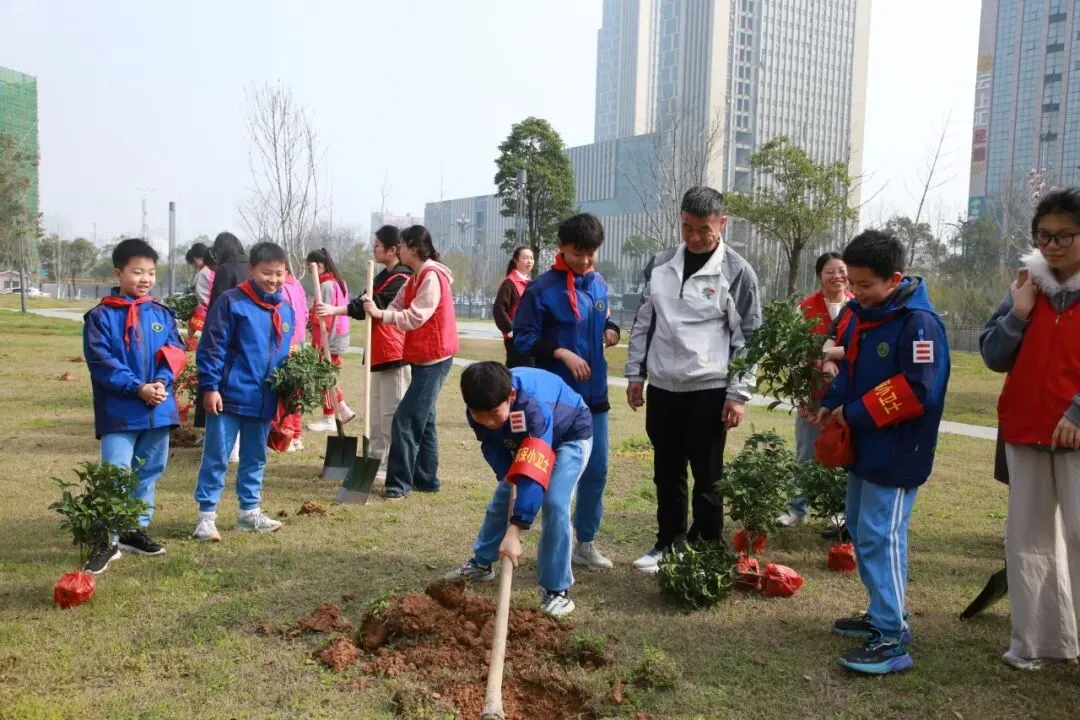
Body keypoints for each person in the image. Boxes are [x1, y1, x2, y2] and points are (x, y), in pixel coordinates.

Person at [813, 229, 950, 675]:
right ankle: (881, 612)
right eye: (852, 282)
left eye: (866, 284)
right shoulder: (860, 315)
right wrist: (833, 401)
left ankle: (892, 637)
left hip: (898, 451)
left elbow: (918, 389)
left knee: (880, 535)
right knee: (859, 526)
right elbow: (850, 367)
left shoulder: (919, 323)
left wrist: (854, 412)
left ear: (894, 278)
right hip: (864, 445)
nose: (857, 291)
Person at [625, 186, 762, 574]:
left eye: (704, 229)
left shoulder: (738, 272)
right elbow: (644, 322)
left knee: (708, 476)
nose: (695, 237)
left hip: (709, 389)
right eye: (687, 227)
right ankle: (668, 543)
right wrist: (635, 373)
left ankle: (706, 550)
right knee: (667, 472)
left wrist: (737, 393)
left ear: (722, 223)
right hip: (664, 388)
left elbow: (749, 338)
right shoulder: (659, 265)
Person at [980, 187, 1080, 670]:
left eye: (1064, 236)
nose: (1052, 246)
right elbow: (993, 355)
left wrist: (1077, 413)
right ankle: (1039, 643)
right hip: (1025, 428)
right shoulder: (1026, 284)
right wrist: (1018, 312)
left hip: (1075, 432)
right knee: (1028, 538)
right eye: (1044, 235)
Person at [512, 214, 620, 570]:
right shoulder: (541, 290)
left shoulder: (598, 283)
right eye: (578, 253)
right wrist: (561, 352)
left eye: (591, 253)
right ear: (561, 248)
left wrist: (611, 329)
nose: (585, 261)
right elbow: (523, 337)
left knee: (597, 471)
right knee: (553, 477)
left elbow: (602, 317)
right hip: (556, 402)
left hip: (595, 396)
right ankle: (543, 545)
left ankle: (585, 542)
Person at [445, 362, 593, 617]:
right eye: (480, 415)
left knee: (555, 502)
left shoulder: (533, 408)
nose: (488, 422)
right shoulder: (478, 407)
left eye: (494, 413)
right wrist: (507, 474)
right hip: (526, 438)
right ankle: (482, 564)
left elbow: (535, 470)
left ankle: (557, 590)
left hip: (569, 434)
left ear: (511, 396)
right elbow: (492, 446)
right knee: (504, 495)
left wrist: (515, 530)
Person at [81, 238, 186, 574]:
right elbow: (102, 362)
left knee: (149, 470)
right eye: (137, 271)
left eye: (151, 272)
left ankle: (132, 529)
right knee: (115, 473)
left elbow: (175, 352)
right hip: (120, 411)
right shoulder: (101, 317)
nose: (145, 279)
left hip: (158, 408)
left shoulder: (161, 314)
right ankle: (107, 539)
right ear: (119, 272)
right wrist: (137, 388)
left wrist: (161, 383)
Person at [192, 242, 296, 541]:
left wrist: (290, 388)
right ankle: (206, 517)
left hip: (263, 398)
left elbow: (285, 354)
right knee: (217, 456)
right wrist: (210, 387)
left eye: (279, 274)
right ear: (251, 269)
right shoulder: (231, 302)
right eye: (266, 273)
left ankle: (249, 512)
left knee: (255, 457)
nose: (273, 280)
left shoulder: (285, 309)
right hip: (229, 396)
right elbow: (212, 347)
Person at [362, 226, 458, 499]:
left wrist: (381, 315)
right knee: (425, 420)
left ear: (413, 248)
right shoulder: (415, 276)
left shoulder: (431, 276)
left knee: (404, 419)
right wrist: (381, 310)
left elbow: (416, 316)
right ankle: (426, 480)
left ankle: (398, 484)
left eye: (402, 245)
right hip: (422, 356)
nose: (399, 249)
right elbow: (397, 304)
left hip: (435, 358)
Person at [316, 225, 413, 482]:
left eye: (378, 244)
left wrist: (335, 310)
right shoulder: (382, 276)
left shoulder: (402, 279)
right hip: (377, 353)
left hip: (395, 353)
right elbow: (361, 303)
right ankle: (374, 460)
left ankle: (391, 463)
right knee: (375, 414)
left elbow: (372, 305)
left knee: (390, 413)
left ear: (393, 250)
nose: (374, 248)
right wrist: (341, 308)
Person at [778, 251, 853, 527]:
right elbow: (796, 355)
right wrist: (801, 397)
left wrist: (829, 356)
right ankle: (797, 509)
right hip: (813, 392)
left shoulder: (857, 307)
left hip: (847, 394)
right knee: (806, 453)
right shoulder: (806, 308)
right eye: (830, 271)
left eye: (842, 270)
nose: (837, 276)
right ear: (820, 276)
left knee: (843, 450)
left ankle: (839, 510)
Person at [196, 231, 249, 462]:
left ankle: (229, 447)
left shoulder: (226, 270)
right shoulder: (251, 266)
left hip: (228, 335)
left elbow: (217, 306)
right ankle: (242, 444)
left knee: (224, 388)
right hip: (250, 334)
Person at [306, 248, 354, 432]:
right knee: (327, 375)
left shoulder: (326, 286)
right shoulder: (339, 283)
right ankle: (342, 408)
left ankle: (329, 416)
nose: (309, 272)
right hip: (339, 335)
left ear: (319, 266)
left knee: (324, 376)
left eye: (310, 268)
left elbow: (324, 317)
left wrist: (318, 342)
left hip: (330, 338)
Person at [279, 264, 308, 453]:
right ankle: (296, 436)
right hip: (299, 342)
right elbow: (305, 313)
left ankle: (288, 435)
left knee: (284, 393)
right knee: (296, 392)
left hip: (285, 343)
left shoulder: (279, 287)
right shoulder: (298, 285)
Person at [493, 246, 535, 368]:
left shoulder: (530, 282)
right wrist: (509, 329)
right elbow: (498, 308)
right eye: (525, 258)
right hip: (517, 338)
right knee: (519, 369)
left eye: (531, 258)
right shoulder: (509, 283)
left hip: (529, 335)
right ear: (516, 261)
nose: (529, 261)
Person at [184, 242, 215, 350]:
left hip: (206, 308)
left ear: (195, 259)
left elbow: (203, 295)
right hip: (215, 306)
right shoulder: (215, 269)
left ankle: (191, 344)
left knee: (193, 327)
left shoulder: (203, 273)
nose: (195, 266)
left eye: (193, 263)